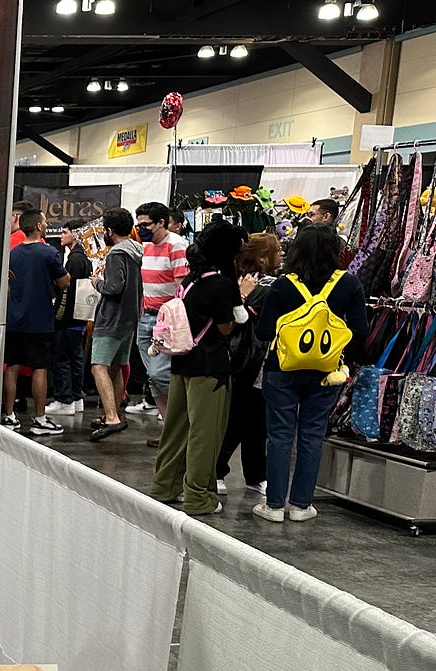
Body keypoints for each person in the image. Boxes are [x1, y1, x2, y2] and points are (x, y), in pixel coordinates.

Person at [253, 224, 369, 524]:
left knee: (279, 436)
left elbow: (264, 331)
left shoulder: (282, 285)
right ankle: (301, 505)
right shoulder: (349, 284)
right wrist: (341, 357)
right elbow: (360, 331)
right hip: (326, 372)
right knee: (313, 435)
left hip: (282, 368)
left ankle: (274, 505)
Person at [148, 220, 247, 515]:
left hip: (182, 361)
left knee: (176, 429)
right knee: (206, 433)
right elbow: (226, 327)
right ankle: (198, 496)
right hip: (210, 367)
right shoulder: (222, 285)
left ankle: (164, 486)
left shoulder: (189, 281)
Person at [216, 232, 281, 496]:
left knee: (256, 421)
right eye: (277, 251)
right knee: (239, 420)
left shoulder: (252, 282)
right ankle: (219, 470)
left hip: (255, 362)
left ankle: (254, 474)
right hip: (249, 360)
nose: (282, 254)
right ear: (263, 258)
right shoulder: (258, 286)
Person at [2, 210, 71, 436]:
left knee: (12, 367)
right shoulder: (48, 252)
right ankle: (40, 419)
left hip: (14, 320)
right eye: (45, 221)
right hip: (39, 320)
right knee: (39, 368)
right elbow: (65, 282)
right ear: (39, 226)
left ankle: (9, 416)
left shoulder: (12, 254)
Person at [133, 201, 191, 446]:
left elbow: (182, 287)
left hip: (165, 320)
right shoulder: (145, 247)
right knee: (152, 377)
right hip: (146, 316)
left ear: (161, 223)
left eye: (146, 224)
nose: (141, 228)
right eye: (139, 224)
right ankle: (170, 432)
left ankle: (182, 426)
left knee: (160, 374)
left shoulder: (176, 245)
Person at [88, 208, 143, 441]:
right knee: (117, 366)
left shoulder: (115, 254)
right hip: (130, 317)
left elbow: (113, 287)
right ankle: (115, 413)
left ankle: (111, 417)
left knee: (98, 366)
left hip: (111, 318)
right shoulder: (137, 251)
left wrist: (97, 282)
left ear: (109, 231)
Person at [47, 224, 93, 416]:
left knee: (62, 358)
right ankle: (76, 398)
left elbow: (66, 290)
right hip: (80, 317)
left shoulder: (74, 259)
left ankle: (64, 399)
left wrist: (59, 316)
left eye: (65, 232)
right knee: (76, 358)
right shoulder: (85, 258)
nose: (61, 235)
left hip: (69, 317)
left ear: (76, 235)